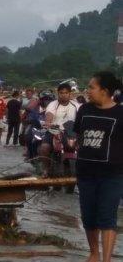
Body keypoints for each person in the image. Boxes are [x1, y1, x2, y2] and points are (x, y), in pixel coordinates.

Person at [73, 71, 123, 262]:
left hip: (113, 175)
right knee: (89, 216)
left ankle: (106, 259)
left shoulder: (120, 113)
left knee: (107, 217)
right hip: (85, 173)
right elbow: (79, 136)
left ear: (105, 91)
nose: (88, 91)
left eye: (92, 87)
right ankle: (94, 253)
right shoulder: (84, 109)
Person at [40, 82, 79, 176]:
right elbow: (49, 115)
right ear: (58, 93)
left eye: (66, 93)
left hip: (71, 133)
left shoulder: (76, 105)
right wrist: (48, 123)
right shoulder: (53, 105)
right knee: (44, 147)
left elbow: (82, 117)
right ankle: (46, 169)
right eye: (61, 93)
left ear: (70, 94)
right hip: (54, 131)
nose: (64, 95)